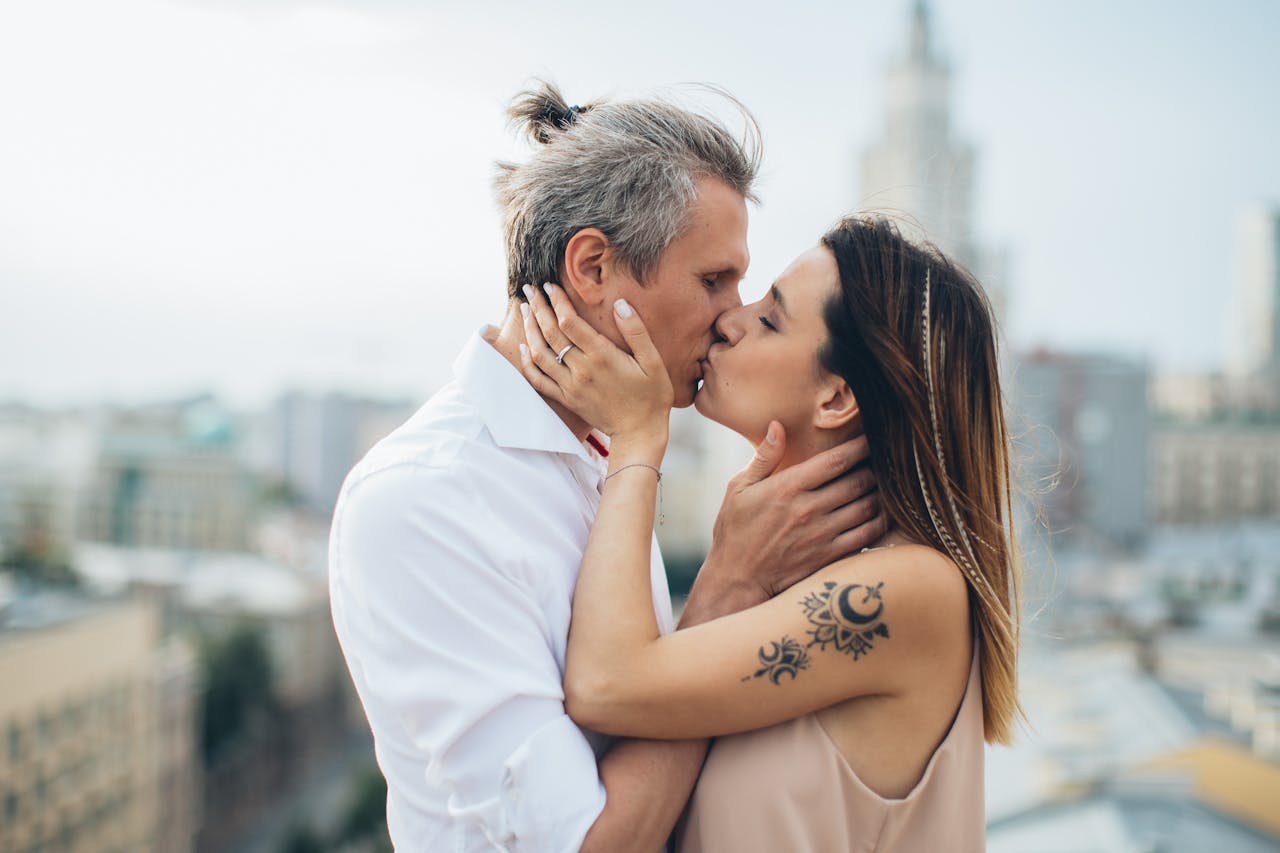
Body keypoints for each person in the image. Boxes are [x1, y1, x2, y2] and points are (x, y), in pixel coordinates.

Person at [327, 81, 886, 852]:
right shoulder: (425, 500)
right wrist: (731, 583)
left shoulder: (607, 454)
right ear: (593, 268)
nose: (732, 316)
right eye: (712, 280)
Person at [517, 214, 1022, 852]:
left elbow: (603, 685)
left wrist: (638, 438)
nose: (730, 320)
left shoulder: (909, 589)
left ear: (837, 398)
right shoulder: (799, 566)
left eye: (771, 318)